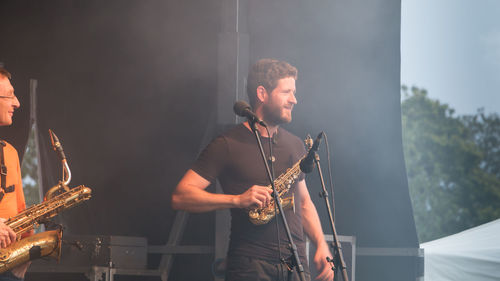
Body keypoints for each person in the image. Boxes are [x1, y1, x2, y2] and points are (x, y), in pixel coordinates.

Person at [172, 59, 334, 281]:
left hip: (294, 265)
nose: (294, 100)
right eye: (287, 92)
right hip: (250, 266)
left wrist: (321, 244)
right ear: (262, 93)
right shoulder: (227, 143)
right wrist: (237, 200)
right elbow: (181, 196)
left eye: (294, 93)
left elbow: (304, 202)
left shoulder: (296, 145)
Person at [0, 67, 30, 280]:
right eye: (9, 96)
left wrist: (25, 252)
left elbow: (20, 212)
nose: (17, 103)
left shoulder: (10, 153)